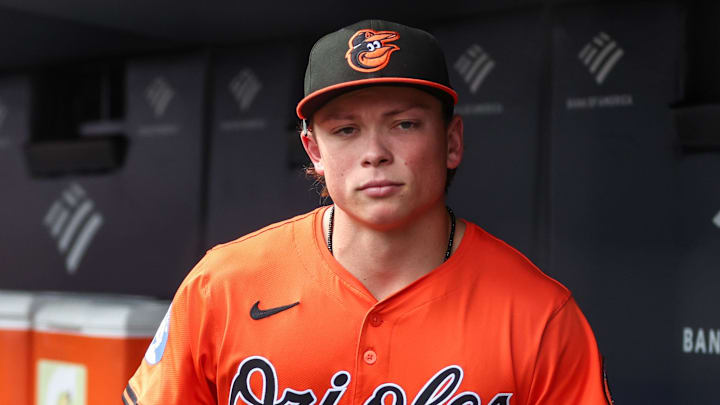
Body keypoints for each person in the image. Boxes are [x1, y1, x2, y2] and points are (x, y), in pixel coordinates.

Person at [123, 20, 614, 405]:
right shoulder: (222, 286)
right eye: (345, 130)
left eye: (403, 123)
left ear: (452, 141)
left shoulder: (539, 315)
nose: (374, 152)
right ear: (313, 150)